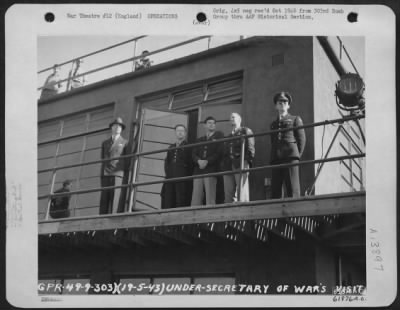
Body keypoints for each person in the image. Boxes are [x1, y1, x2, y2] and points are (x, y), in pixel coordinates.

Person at [270, 91, 306, 198]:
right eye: (279, 102)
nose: (282, 104)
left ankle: (294, 213)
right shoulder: (273, 124)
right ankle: (276, 213)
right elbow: (273, 141)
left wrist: (296, 155)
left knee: (292, 188)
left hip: (290, 157)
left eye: (285, 102)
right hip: (276, 158)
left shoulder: (295, 119)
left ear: (288, 105)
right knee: (276, 189)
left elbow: (301, 139)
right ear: (276, 106)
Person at [221, 113, 255, 203]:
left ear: (239, 120)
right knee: (228, 193)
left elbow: (251, 149)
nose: (231, 119)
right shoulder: (228, 136)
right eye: (230, 118)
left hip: (241, 162)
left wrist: (246, 162)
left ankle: (243, 214)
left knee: (242, 192)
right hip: (228, 165)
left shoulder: (245, 131)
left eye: (233, 117)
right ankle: (230, 215)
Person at [191, 116, 223, 206]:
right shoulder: (200, 140)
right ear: (205, 125)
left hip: (211, 170)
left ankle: (210, 219)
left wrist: (207, 161)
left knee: (210, 197)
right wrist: (198, 161)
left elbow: (219, 153)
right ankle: (195, 217)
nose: (212, 125)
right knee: (196, 197)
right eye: (209, 123)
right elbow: (193, 154)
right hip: (198, 171)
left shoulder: (219, 136)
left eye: (213, 123)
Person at [99, 117, 129, 214]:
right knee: (104, 199)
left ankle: (114, 223)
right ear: (112, 128)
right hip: (106, 173)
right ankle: (100, 221)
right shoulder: (105, 143)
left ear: (121, 129)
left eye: (119, 126)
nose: (117, 128)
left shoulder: (125, 142)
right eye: (115, 126)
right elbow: (102, 158)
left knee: (115, 198)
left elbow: (127, 159)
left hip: (117, 174)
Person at [163, 124, 192, 209]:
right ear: (175, 133)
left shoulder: (188, 146)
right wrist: (168, 174)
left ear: (185, 133)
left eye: (182, 131)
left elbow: (190, 163)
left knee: (180, 198)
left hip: (182, 177)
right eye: (178, 131)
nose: (180, 133)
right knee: (169, 198)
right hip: (170, 177)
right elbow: (167, 162)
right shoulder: (171, 147)